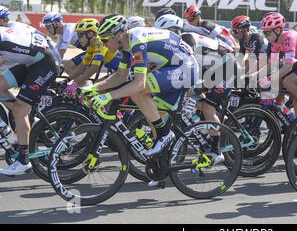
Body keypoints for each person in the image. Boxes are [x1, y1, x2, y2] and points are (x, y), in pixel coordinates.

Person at [82, 14, 200, 160]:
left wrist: (106, 96)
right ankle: (163, 163)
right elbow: (120, 76)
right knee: (154, 116)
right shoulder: (126, 45)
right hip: (172, 68)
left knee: (138, 92)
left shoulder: (137, 41)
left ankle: (165, 135)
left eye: (105, 40)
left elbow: (139, 84)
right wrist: (93, 88)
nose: (104, 45)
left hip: (185, 68)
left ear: (118, 35)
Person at [0, 23, 58, 175]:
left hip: (45, 64)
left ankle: (23, 161)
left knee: (19, 111)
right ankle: (25, 118)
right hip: (31, 63)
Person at [64, 18, 121, 95]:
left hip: (123, 70)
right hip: (116, 69)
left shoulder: (100, 43)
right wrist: (67, 80)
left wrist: (76, 84)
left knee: (98, 86)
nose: (78, 38)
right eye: (77, 34)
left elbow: (94, 67)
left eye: (80, 34)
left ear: (90, 34)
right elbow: (83, 65)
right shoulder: (91, 45)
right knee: (98, 86)